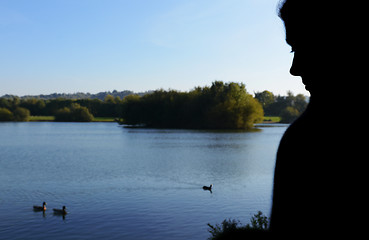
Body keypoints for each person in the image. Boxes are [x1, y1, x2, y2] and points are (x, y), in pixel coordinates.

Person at [270, 0, 365, 235]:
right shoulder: (304, 135)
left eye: (304, 47)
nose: (294, 68)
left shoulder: (305, 141)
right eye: (293, 50)